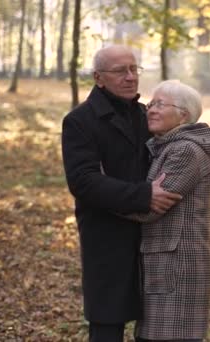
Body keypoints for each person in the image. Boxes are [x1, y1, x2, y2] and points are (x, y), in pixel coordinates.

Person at [61, 45, 183, 342]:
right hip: (107, 235)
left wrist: (207, 163)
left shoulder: (146, 115)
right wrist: (143, 195)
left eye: (134, 69)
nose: (130, 78)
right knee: (107, 324)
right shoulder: (79, 121)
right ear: (98, 78)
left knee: (156, 326)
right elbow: (83, 181)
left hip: (154, 237)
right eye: (120, 71)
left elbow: (179, 146)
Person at [127, 80, 210, 342]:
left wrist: (103, 199)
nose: (151, 110)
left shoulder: (183, 150)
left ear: (184, 115)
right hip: (165, 264)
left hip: (177, 266)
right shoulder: (165, 146)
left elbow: (150, 208)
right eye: (151, 103)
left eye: (160, 104)